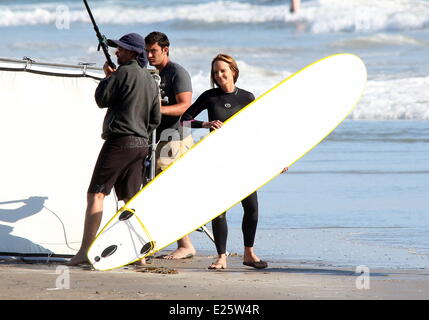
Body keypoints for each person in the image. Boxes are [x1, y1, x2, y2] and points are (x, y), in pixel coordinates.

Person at [181, 53, 288, 270]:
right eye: (215, 72)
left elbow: (260, 132)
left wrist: (276, 159)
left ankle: (249, 253)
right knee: (219, 209)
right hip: (219, 160)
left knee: (252, 208)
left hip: (244, 159)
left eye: (223, 71)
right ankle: (221, 256)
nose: (219, 75)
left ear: (234, 72)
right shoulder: (209, 97)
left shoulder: (247, 97)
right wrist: (206, 124)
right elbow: (184, 119)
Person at [68, 33, 161, 266]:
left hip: (119, 142)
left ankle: (84, 252)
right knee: (128, 201)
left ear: (133, 52)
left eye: (121, 48)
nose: (117, 51)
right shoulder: (151, 80)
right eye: (117, 48)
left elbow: (101, 99)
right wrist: (139, 130)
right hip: (141, 144)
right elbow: (155, 119)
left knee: (96, 194)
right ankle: (139, 256)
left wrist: (108, 78)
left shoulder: (121, 73)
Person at [144, 31, 196, 260]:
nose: (148, 55)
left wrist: (156, 111)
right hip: (155, 139)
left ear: (165, 50)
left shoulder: (177, 72)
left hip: (174, 139)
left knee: (168, 191)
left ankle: (185, 245)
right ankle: (161, 239)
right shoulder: (152, 73)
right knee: (152, 189)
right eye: (146, 50)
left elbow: (185, 106)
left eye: (153, 50)